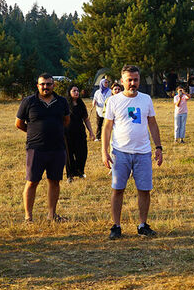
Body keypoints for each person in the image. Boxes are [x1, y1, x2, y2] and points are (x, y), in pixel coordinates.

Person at [102, 65, 163, 239]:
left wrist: (158, 147)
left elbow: (152, 123)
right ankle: (116, 226)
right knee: (117, 189)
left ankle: (142, 225)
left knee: (144, 190)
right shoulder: (114, 101)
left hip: (143, 153)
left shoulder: (146, 99)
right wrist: (104, 151)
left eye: (135, 79)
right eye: (129, 80)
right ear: (122, 81)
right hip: (120, 152)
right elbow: (107, 127)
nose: (132, 83)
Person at [16, 73, 71, 222]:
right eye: (42, 84)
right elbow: (19, 123)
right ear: (37, 86)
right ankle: (28, 217)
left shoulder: (62, 102)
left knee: (54, 181)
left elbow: (66, 120)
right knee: (32, 181)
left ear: (53, 85)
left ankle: (51, 215)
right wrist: (34, 132)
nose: (45, 87)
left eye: (48, 84)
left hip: (57, 148)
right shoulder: (28, 102)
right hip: (36, 148)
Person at [64, 85, 94, 181]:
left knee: (82, 153)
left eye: (77, 90)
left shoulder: (81, 104)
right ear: (69, 92)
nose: (76, 92)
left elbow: (86, 119)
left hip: (80, 132)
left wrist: (91, 132)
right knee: (69, 155)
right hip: (67, 133)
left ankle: (80, 171)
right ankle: (70, 175)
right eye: (74, 91)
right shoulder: (65, 105)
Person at [92, 77, 112, 141]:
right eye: (105, 82)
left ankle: (108, 137)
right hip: (99, 110)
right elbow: (95, 99)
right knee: (99, 124)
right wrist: (94, 103)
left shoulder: (110, 91)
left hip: (107, 109)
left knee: (107, 124)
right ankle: (98, 137)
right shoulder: (97, 92)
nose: (106, 84)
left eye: (107, 82)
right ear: (101, 83)